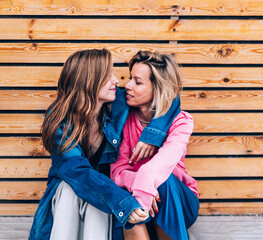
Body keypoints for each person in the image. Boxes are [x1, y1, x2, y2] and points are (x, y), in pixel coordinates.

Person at [28, 49, 181, 240]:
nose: (116, 81)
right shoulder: (59, 121)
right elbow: (78, 172)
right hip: (74, 192)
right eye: (108, 76)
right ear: (90, 81)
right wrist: (123, 203)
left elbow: (168, 95)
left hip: (105, 194)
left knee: (99, 198)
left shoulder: (118, 103)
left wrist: (152, 135)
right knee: (69, 190)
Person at [111, 51, 199, 240]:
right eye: (129, 79)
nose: (127, 85)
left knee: (164, 181)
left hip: (179, 202)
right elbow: (117, 170)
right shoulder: (123, 120)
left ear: (158, 88)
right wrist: (141, 188)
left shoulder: (182, 122)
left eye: (138, 81)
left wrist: (147, 185)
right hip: (138, 201)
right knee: (125, 199)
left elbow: (161, 164)